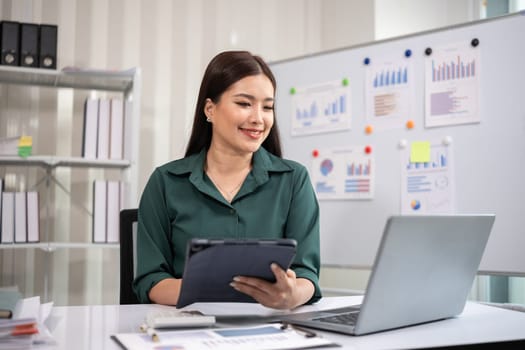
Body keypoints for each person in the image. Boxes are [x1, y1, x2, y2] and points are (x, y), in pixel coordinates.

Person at [132, 50, 321, 310]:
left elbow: (306, 274)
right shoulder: (165, 182)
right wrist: (214, 293)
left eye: (267, 107)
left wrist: (292, 295)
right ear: (210, 109)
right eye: (244, 103)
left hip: (270, 332)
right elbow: (151, 280)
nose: (258, 118)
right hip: (189, 331)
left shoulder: (293, 180)